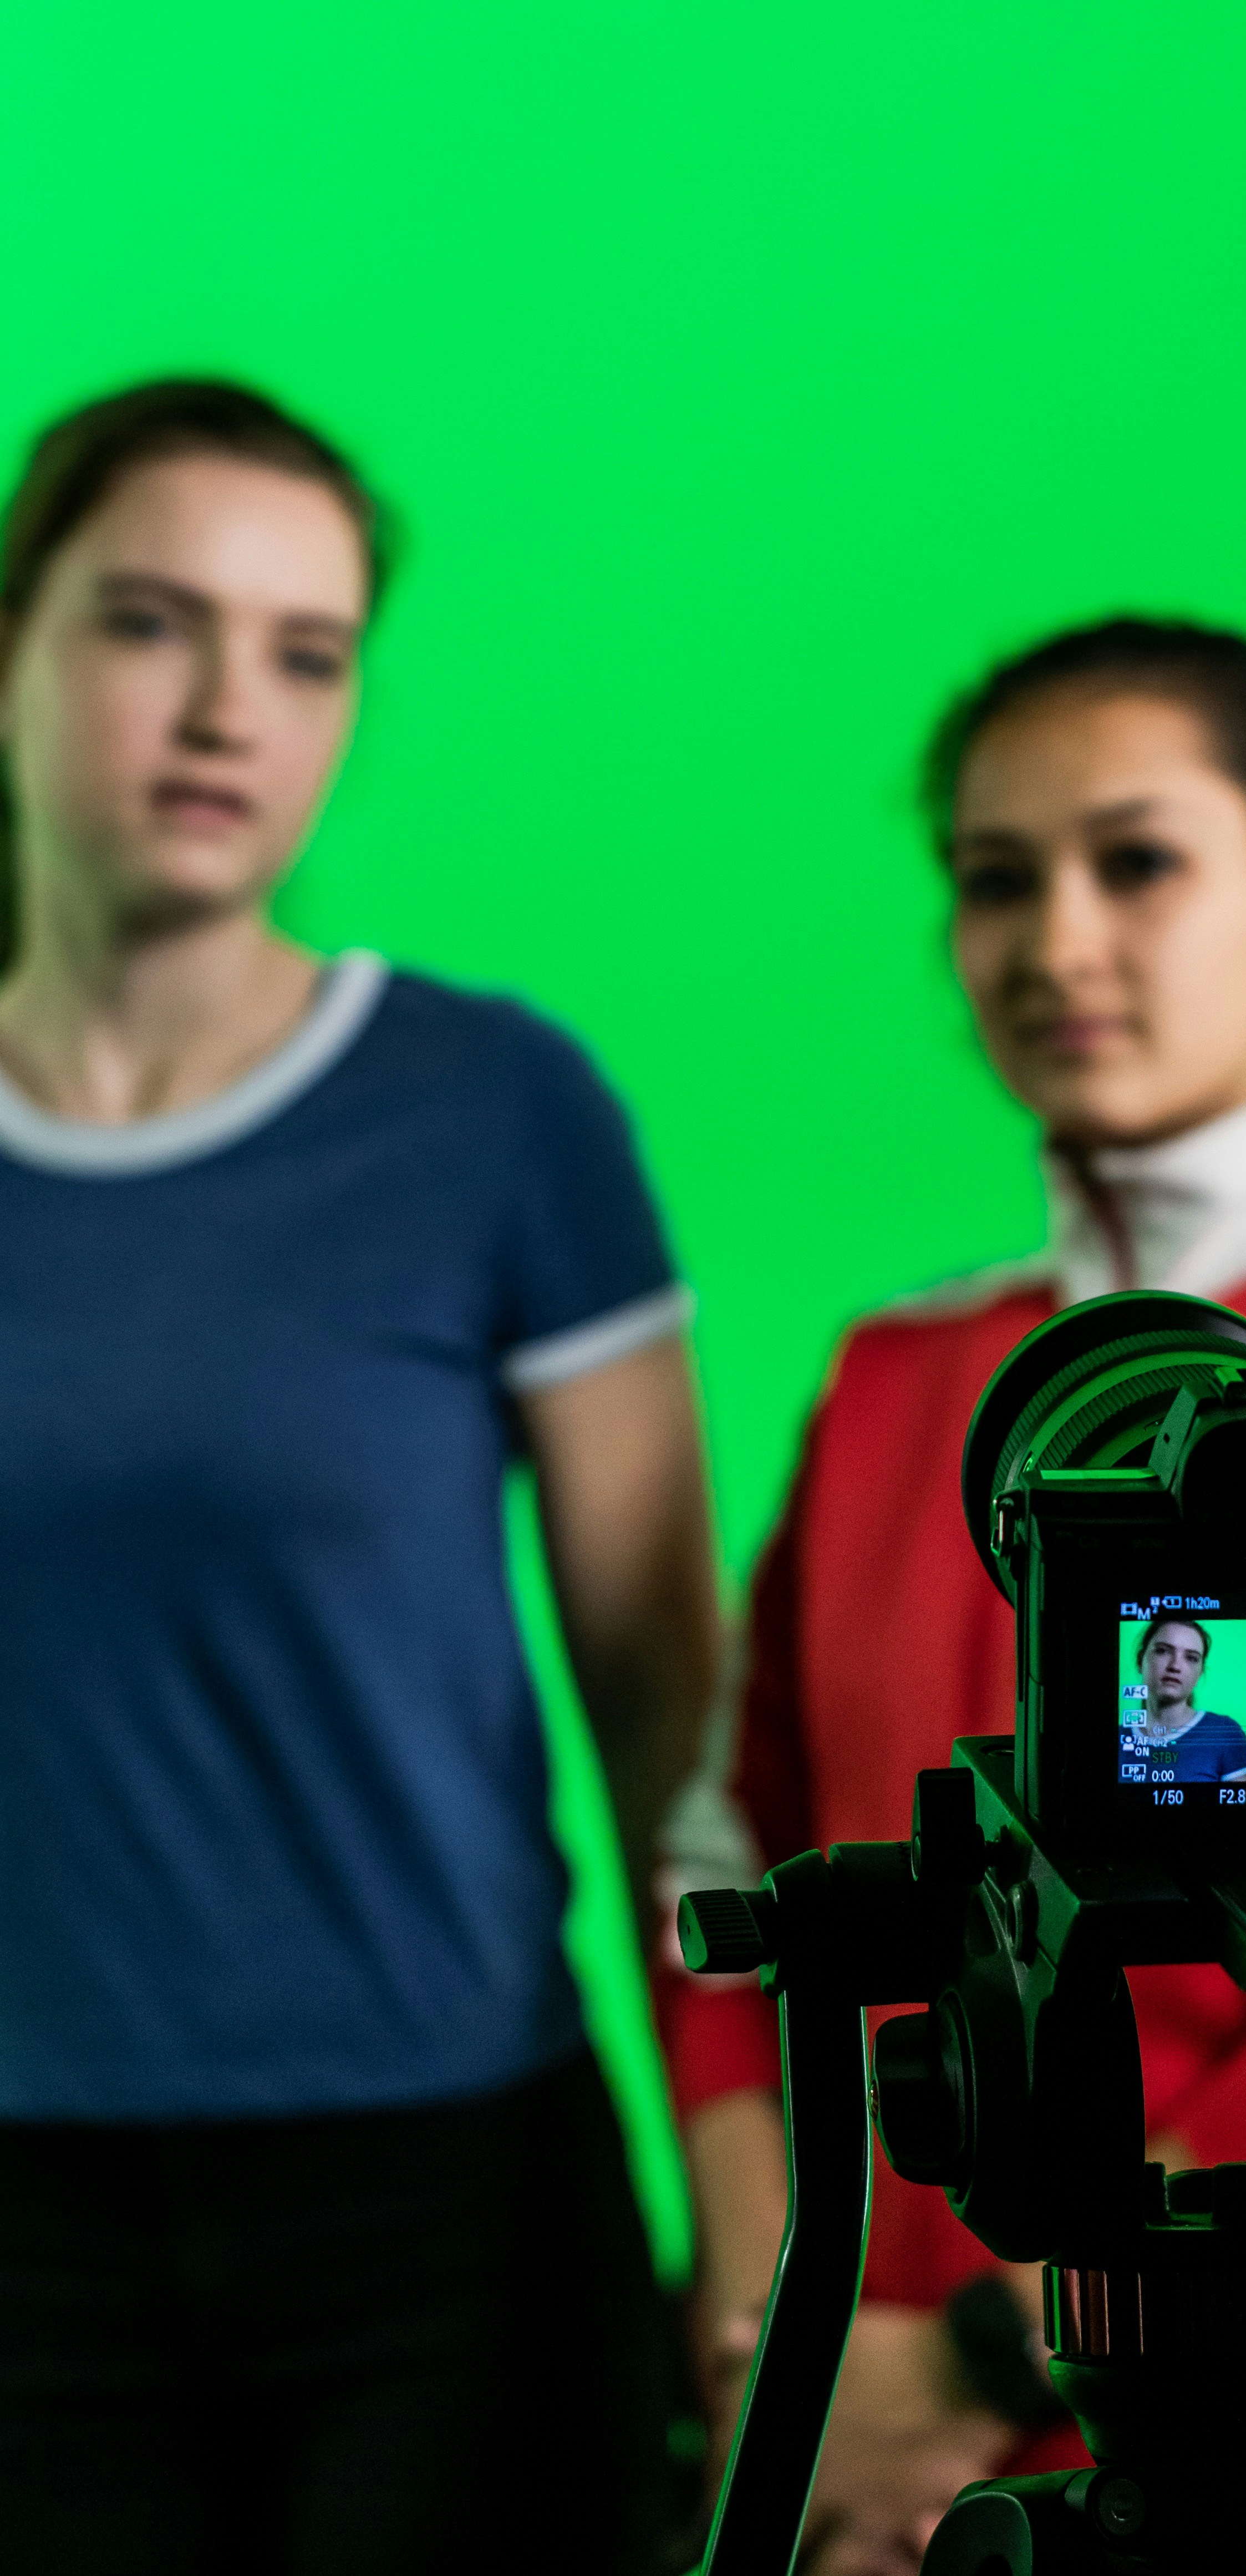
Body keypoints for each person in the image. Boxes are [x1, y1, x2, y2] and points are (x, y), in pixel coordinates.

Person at [655, 616, 1246, 2576]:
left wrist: (970, 2361)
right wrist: (799, 2349)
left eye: (1136, 859)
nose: (1054, 940)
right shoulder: (890, 1379)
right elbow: (744, 1864)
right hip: (866, 2453)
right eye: (991, 879)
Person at [0, 378, 721, 2575]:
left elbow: (677, 1738)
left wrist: (767, 2198)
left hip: (447, 2215)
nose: (230, 707)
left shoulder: (495, 1113)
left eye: (307, 654)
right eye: (152, 624)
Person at [1122, 1615, 1246, 1780]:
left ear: (1200, 1674)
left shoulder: (1225, 1734)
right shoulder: (1120, 1736)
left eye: (1191, 1658)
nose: (1175, 1666)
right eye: (1163, 1651)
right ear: (1141, 1660)